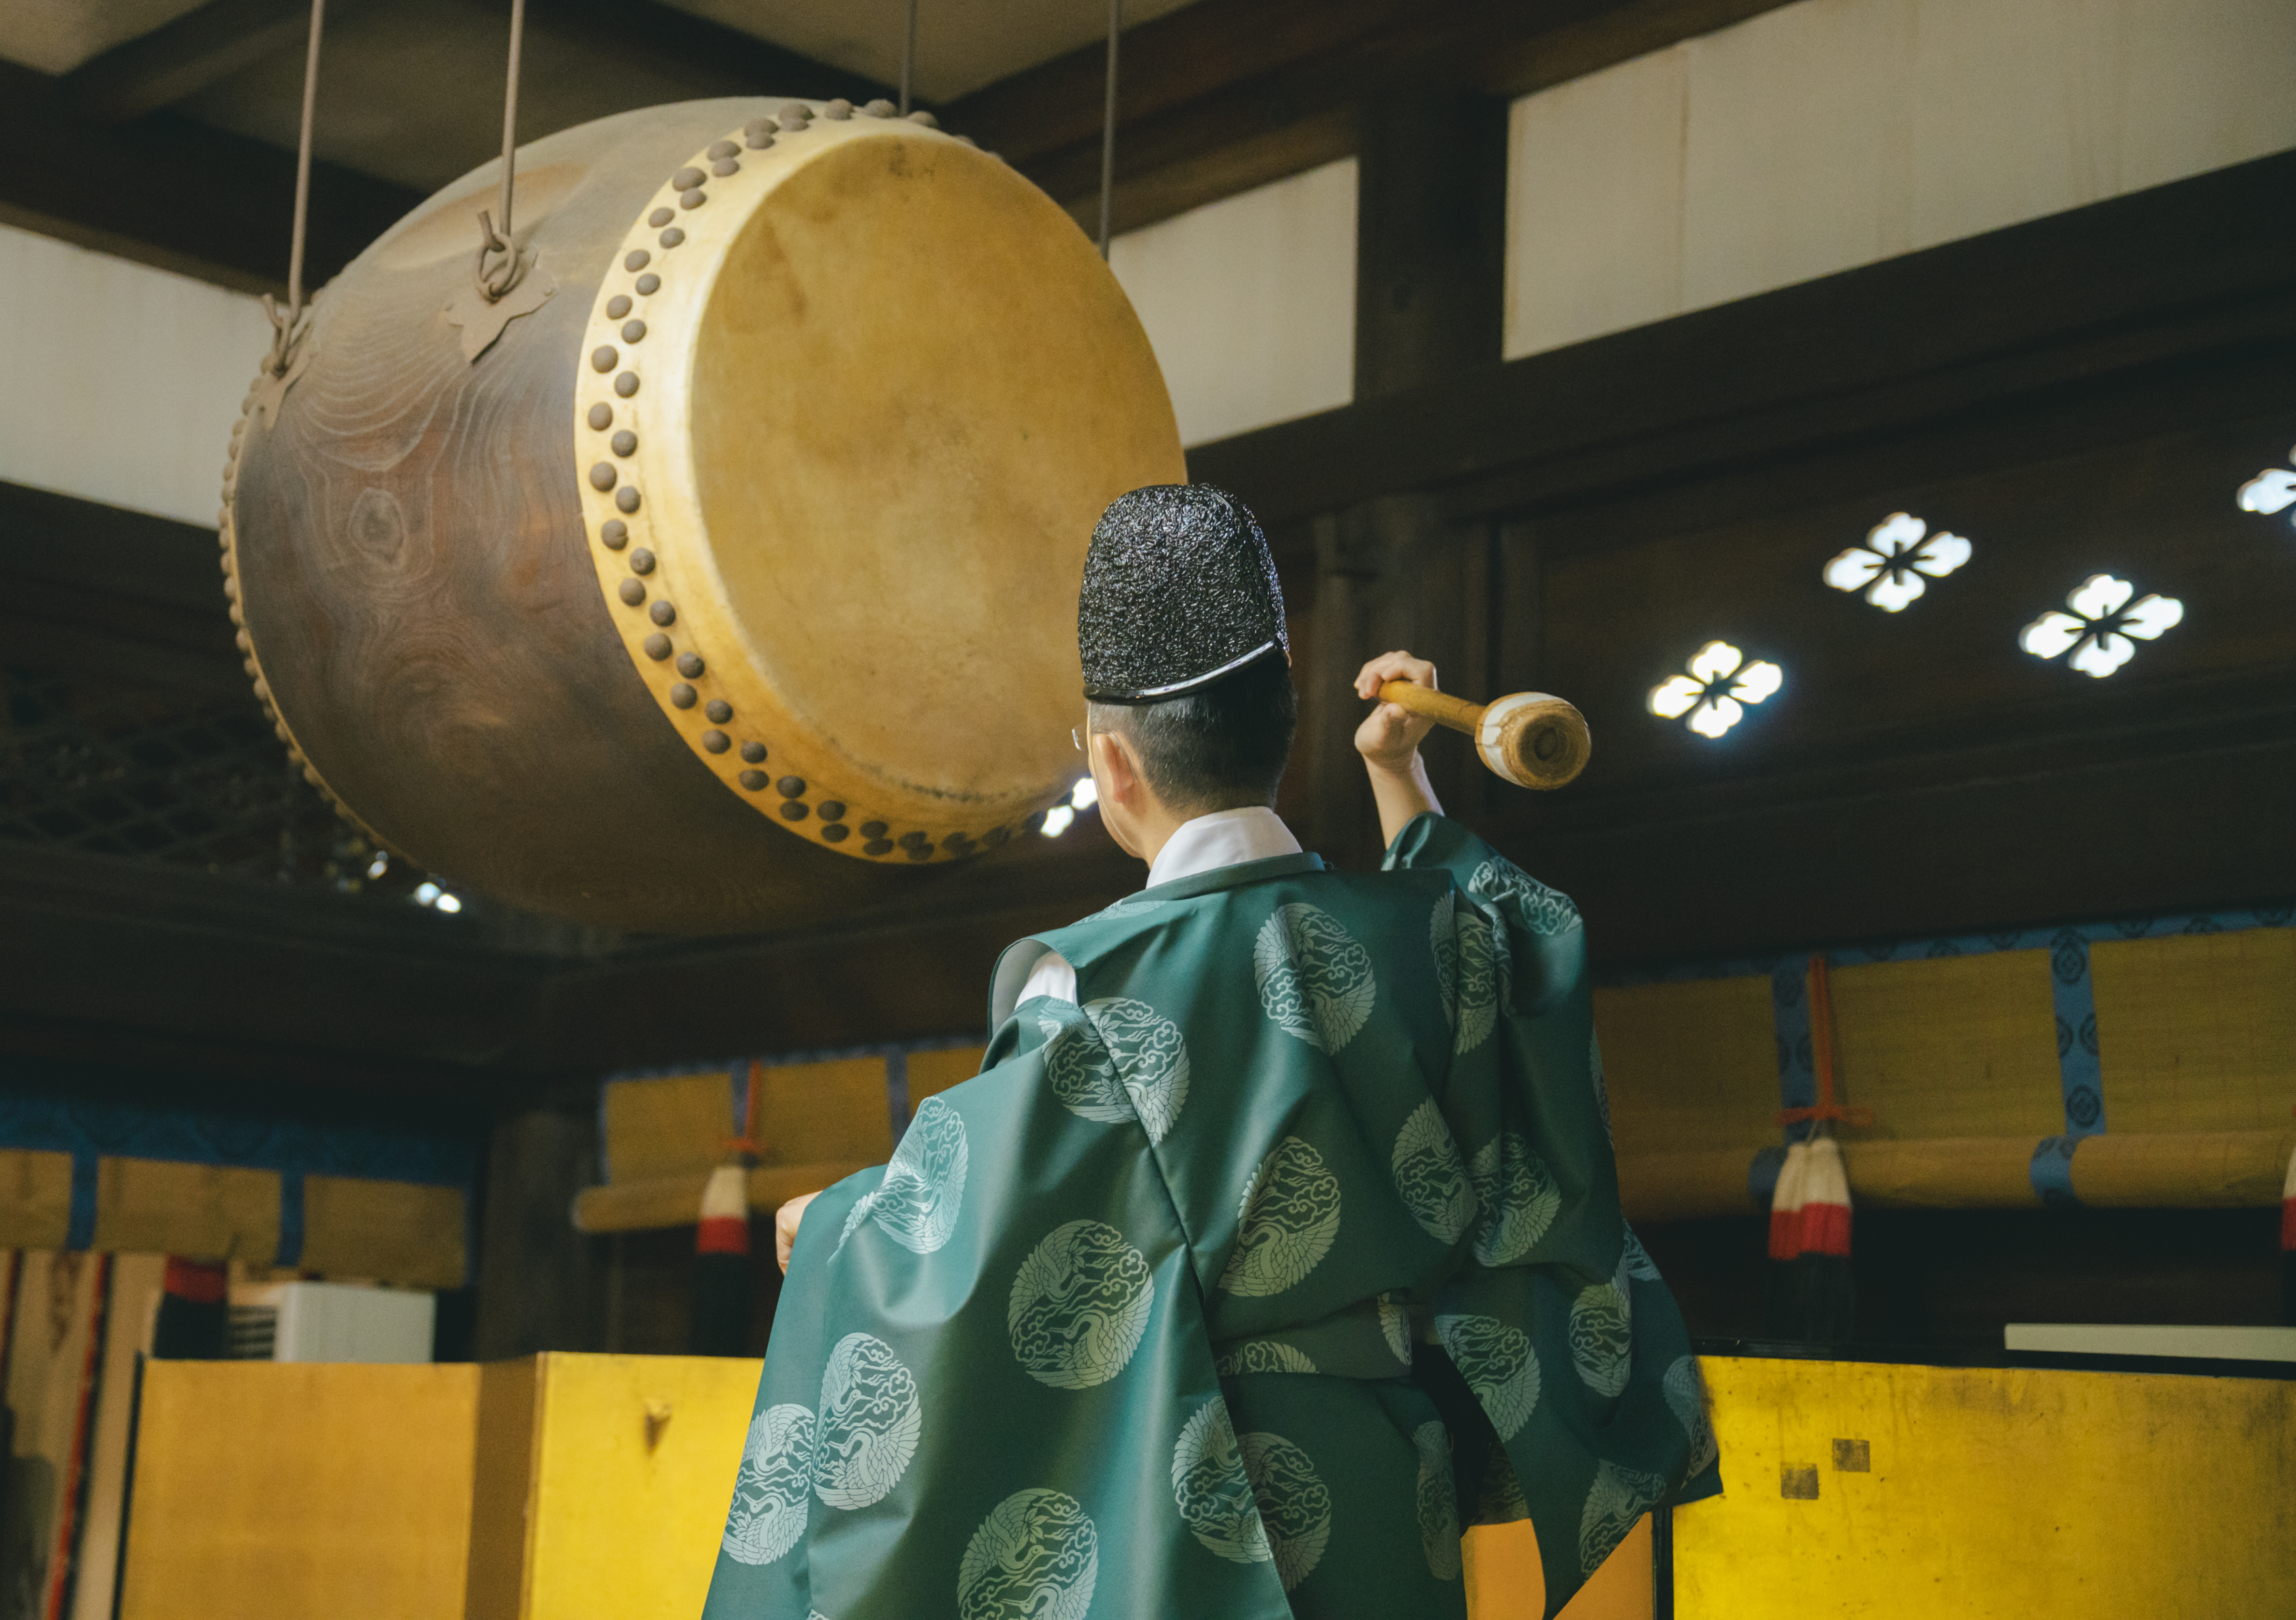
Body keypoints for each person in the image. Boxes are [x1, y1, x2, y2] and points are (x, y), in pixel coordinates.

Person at [703, 485, 1718, 1620]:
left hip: (1198, 1496)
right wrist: (1400, 772)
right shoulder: (1434, 945)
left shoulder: (1092, 987)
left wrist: (836, 1224)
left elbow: (979, 1251)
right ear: (1280, 730)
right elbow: (1525, 946)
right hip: (1390, 1487)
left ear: (1114, 767)